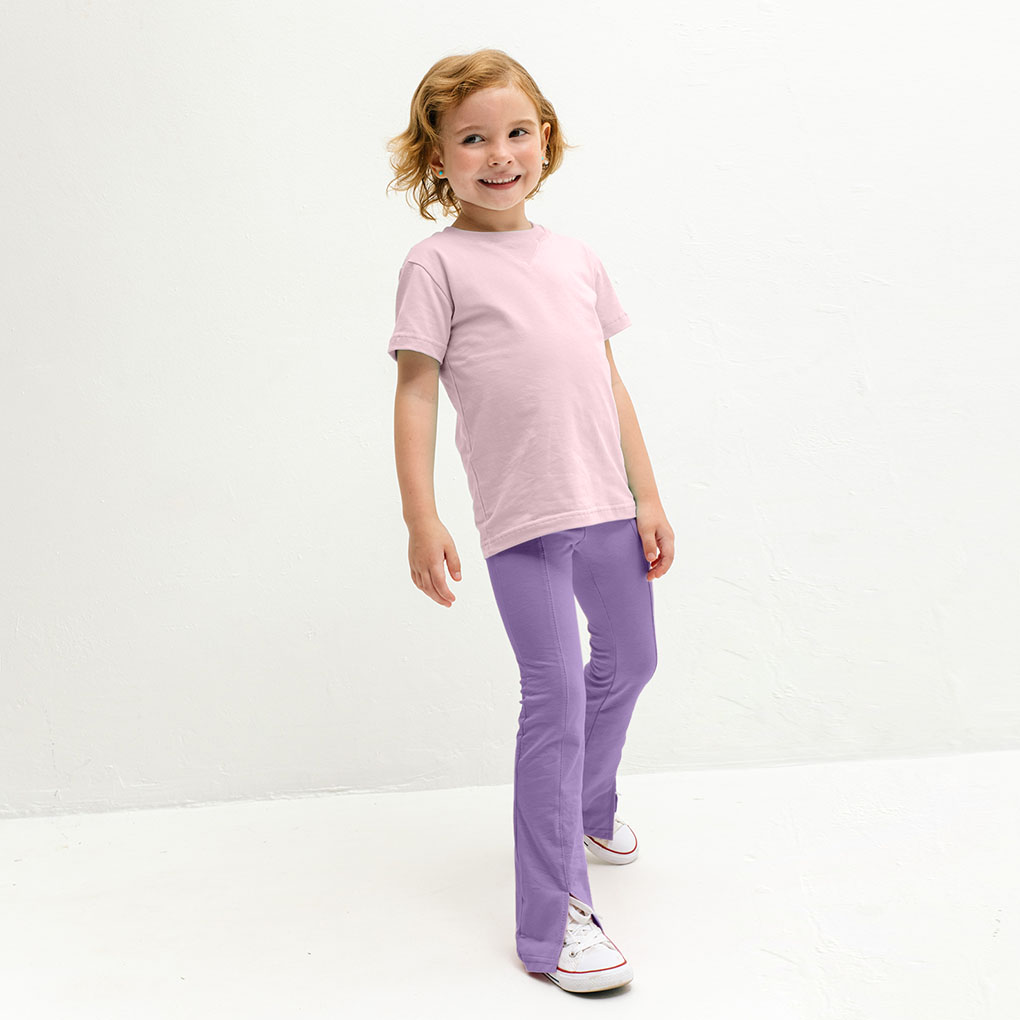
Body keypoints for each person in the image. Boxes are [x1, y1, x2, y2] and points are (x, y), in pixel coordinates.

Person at [384, 48, 674, 994]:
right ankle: (551, 927)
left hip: (607, 506)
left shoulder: (576, 258)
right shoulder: (436, 264)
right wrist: (421, 515)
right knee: (553, 698)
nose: (499, 154)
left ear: (545, 139)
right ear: (437, 157)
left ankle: (588, 809)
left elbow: (608, 383)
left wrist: (647, 493)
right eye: (472, 139)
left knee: (632, 661)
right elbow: (416, 392)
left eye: (516, 133)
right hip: (522, 521)